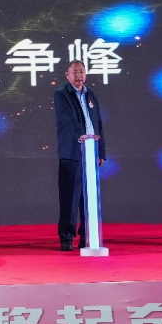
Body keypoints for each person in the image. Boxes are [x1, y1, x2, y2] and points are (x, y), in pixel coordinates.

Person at [53, 59, 106, 251]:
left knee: (88, 198)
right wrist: (82, 135)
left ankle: (87, 236)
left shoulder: (90, 94)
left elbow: (98, 123)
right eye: (75, 72)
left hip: (91, 152)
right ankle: (66, 238)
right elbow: (66, 120)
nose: (79, 75)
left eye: (82, 71)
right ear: (67, 75)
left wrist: (101, 151)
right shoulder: (61, 94)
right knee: (70, 198)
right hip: (72, 152)